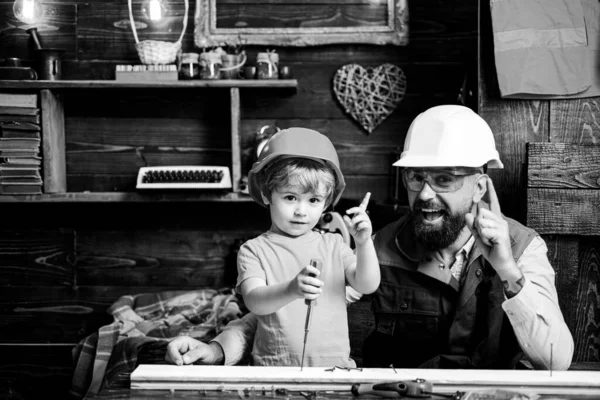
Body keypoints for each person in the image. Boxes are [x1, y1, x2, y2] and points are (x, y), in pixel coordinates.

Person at [165, 105, 574, 371]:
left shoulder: (524, 248)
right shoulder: (377, 250)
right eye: (416, 178)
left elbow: (556, 359)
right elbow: (284, 315)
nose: (425, 195)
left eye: (444, 179)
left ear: (481, 186)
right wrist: (218, 350)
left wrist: (506, 268)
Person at [233, 127, 379, 367]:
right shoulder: (254, 250)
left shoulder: (334, 245)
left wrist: (363, 243)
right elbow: (254, 301)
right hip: (273, 371)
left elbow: (367, 284)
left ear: (326, 203)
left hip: (335, 371)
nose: (301, 211)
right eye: (290, 197)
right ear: (267, 194)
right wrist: (291, 289)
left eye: (313, 200)